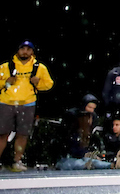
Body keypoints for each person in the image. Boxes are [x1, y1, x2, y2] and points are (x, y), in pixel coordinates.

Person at [1, 40, 53, 172]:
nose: (25, 52)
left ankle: (17, 161)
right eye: (22, 49)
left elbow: (48, 84)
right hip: (7, 102)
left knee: (23, 134)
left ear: (32, 52)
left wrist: (38, 82)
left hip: (28, 103)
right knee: (2, 134)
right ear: (17, 50)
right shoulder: (6, 67)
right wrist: (6, 82)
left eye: (28, 49)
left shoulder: (39, 68)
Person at [57, 95, 108, 171]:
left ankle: (115, 164)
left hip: (82, 156)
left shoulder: (92, 122)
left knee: (95, 162)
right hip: (68, 158)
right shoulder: (72, 121)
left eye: (93, 108)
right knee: (80, 164)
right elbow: (69, 145)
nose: (91, 111)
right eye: (89, 107)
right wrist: (84, 153)